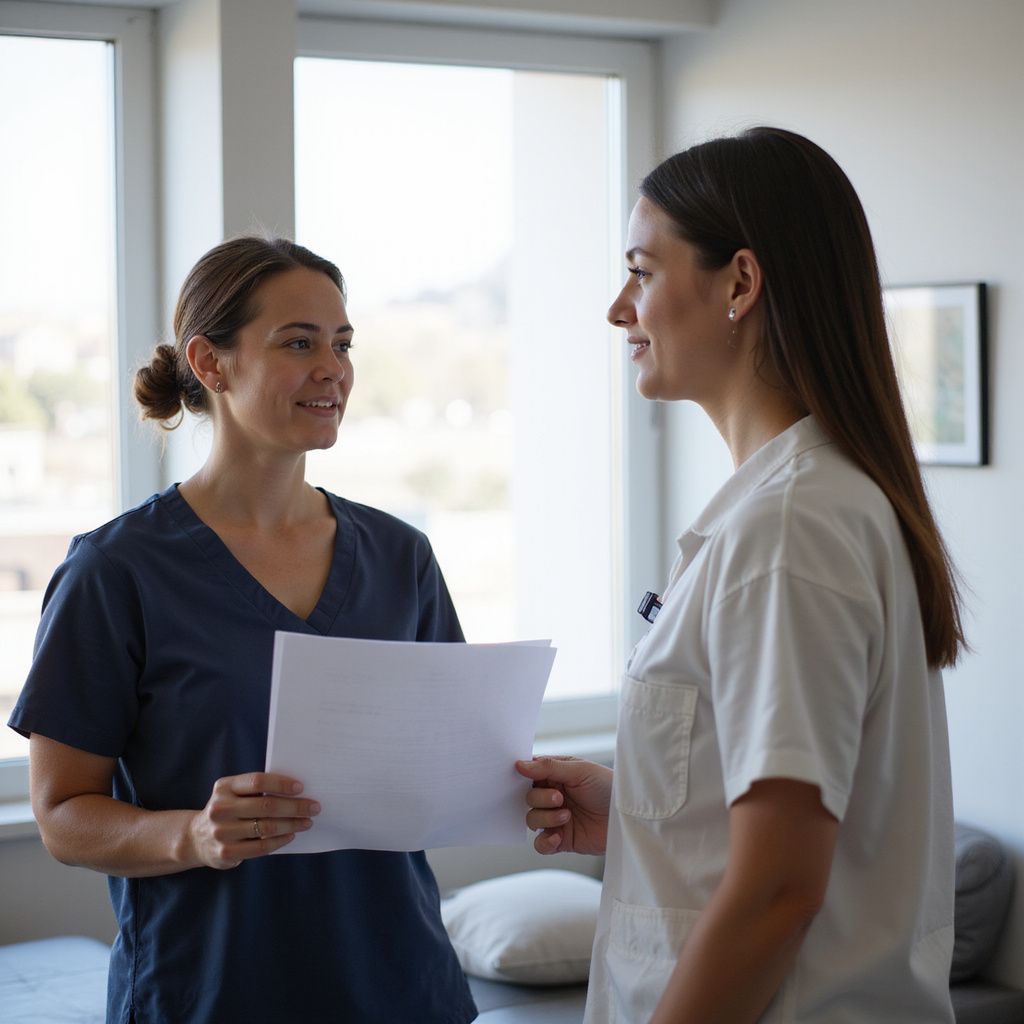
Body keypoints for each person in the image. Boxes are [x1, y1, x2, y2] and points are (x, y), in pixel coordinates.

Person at [516, 127, 964, 1023]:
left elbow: (776, 894)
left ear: (740, 284)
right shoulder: (801, 506)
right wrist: (644, 812)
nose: (618, 308)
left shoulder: (791, 528)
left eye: (641, 272)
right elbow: (780, 830)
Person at [9, 237, 477, 1024]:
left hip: (403, 988)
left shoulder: (403, 558)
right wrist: (193, 834)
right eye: (299, 342)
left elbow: (450, 761)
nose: (334, 367)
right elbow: (62, 815)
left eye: (343, 343)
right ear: (212, 362)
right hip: (211, 995)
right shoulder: (117, 571)